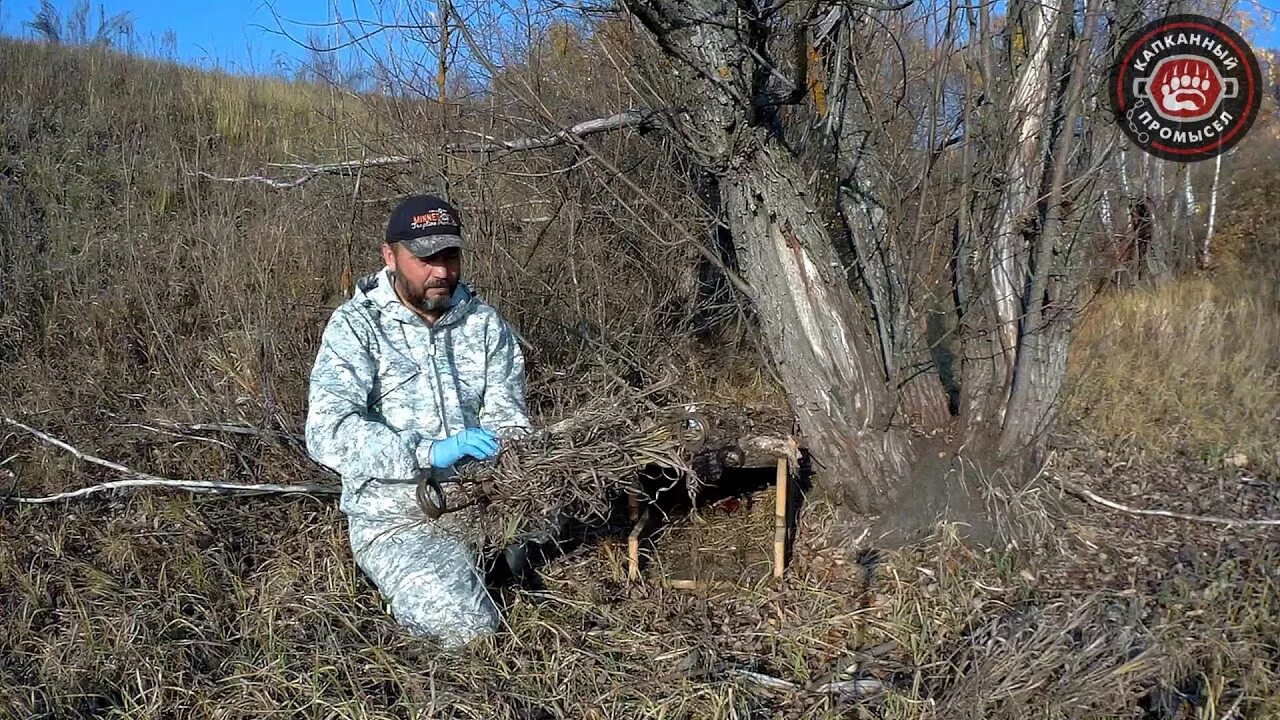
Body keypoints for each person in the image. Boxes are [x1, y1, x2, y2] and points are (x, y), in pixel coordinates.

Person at [304, 193, 532, 648]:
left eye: (450, 255)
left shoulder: (485, 325)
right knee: (470, 632)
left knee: (585, 527)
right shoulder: (356, 327)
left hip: (484, 504)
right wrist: (427, 452)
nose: (441, 271)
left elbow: (510, 419)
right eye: (425, 258)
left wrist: (511, 458)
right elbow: (327, 433)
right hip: (398, 519)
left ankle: (500, 560)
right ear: (390, 256)